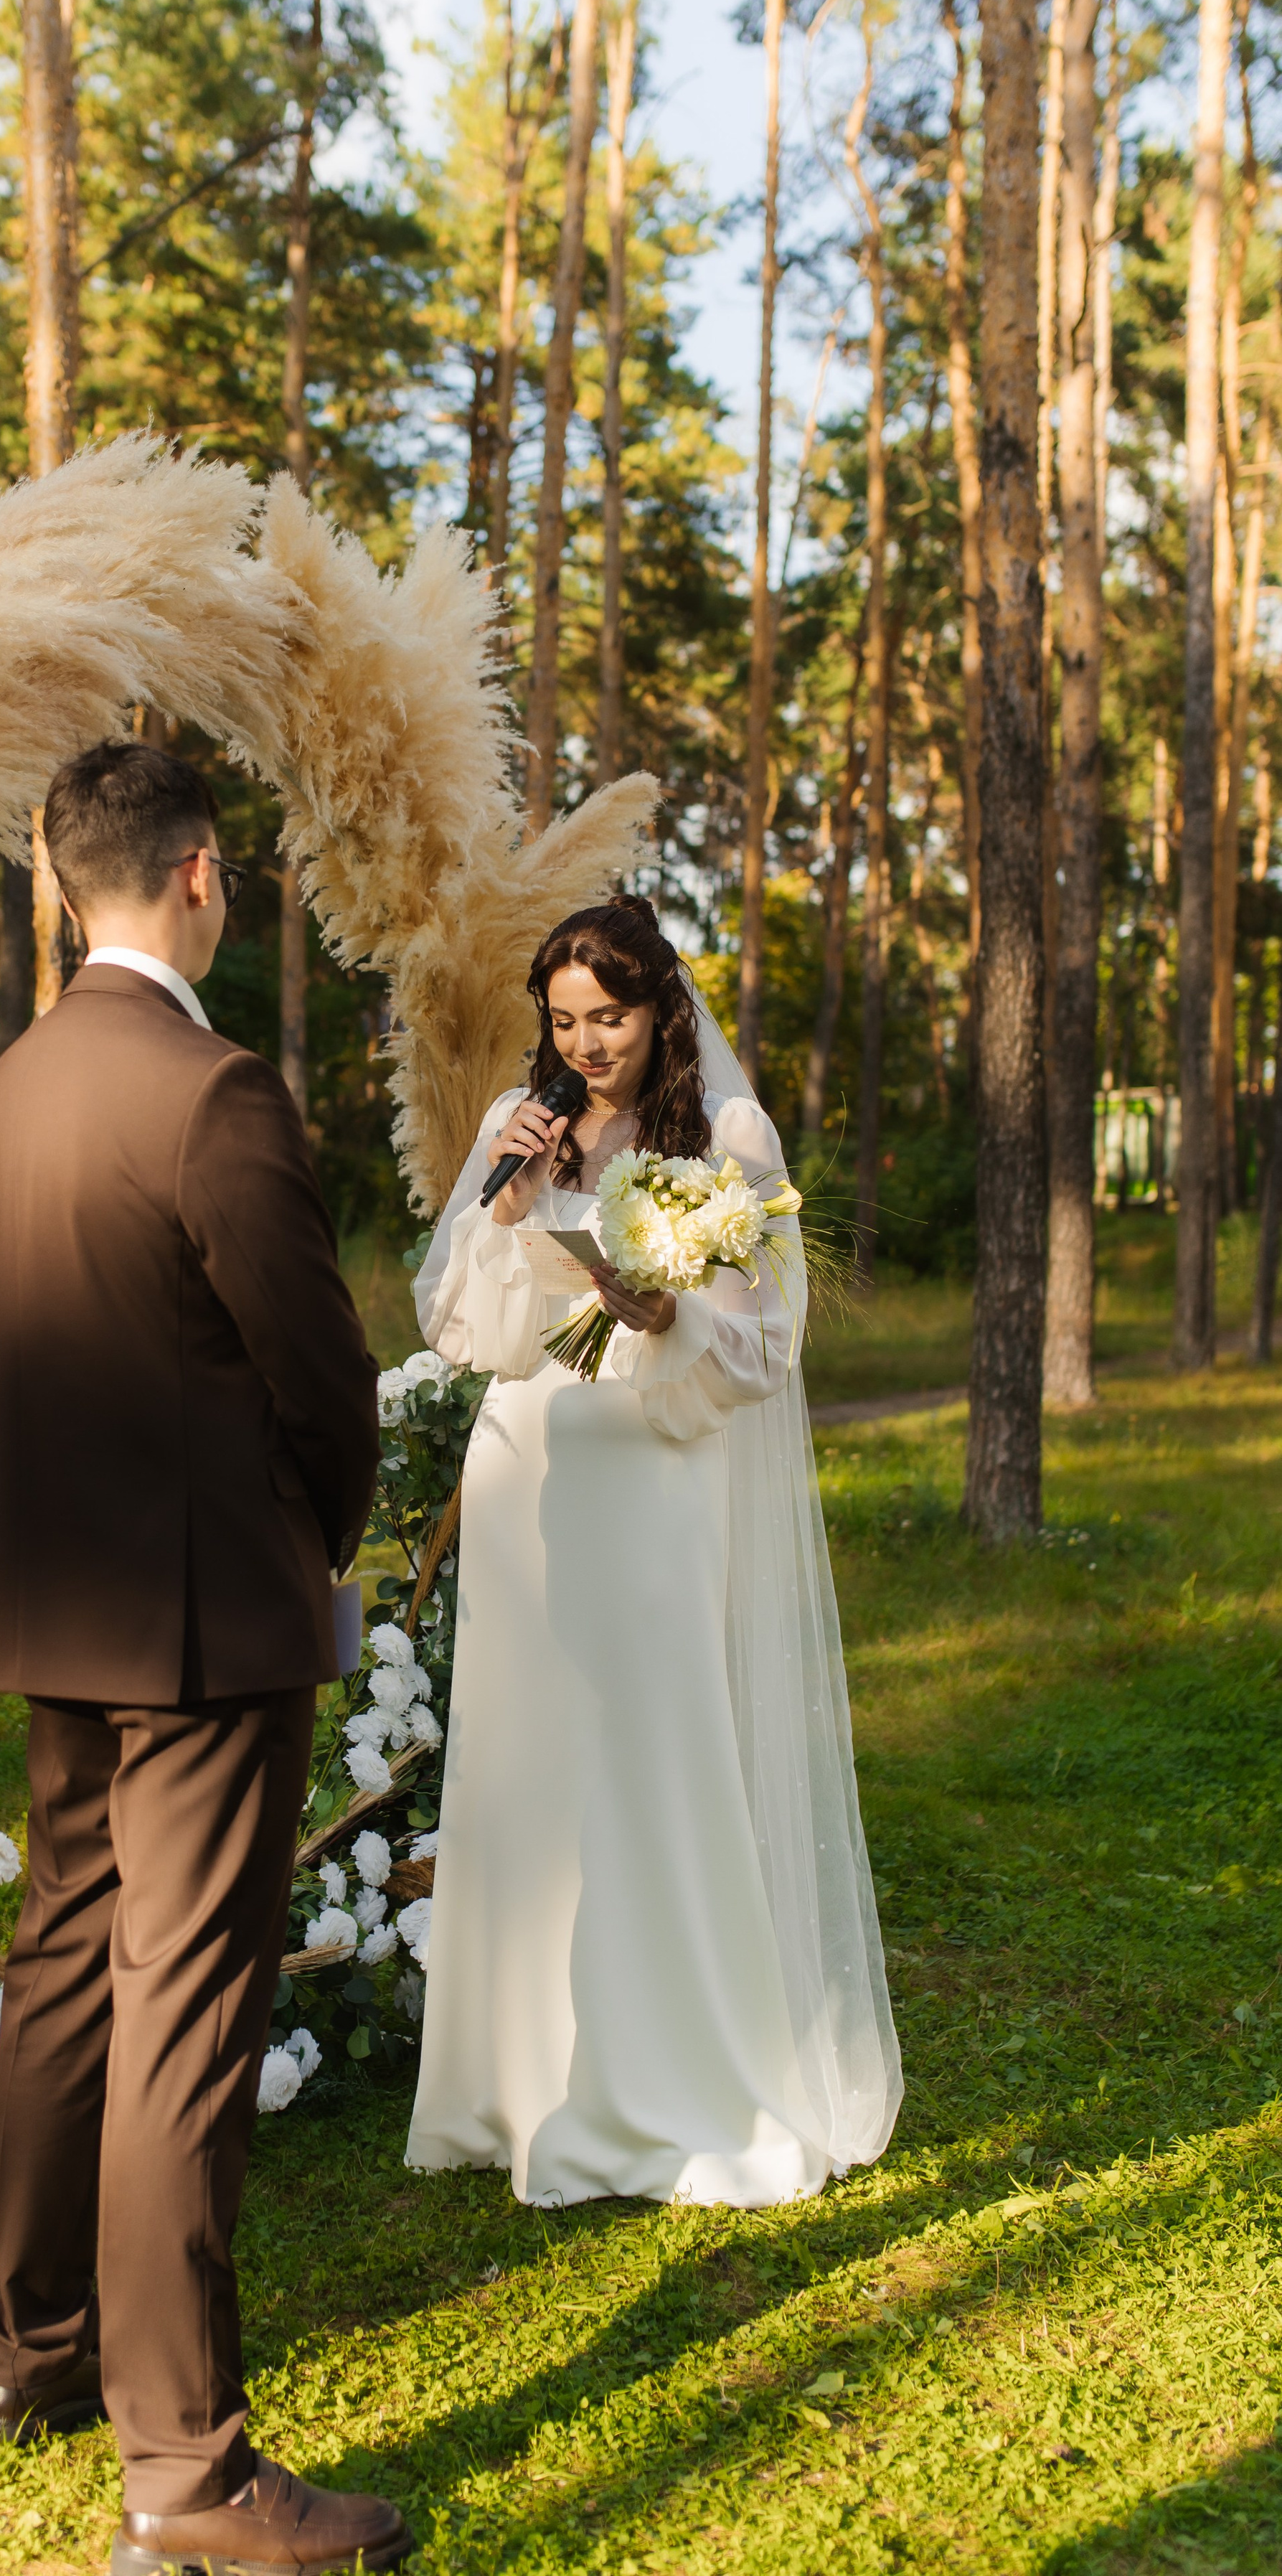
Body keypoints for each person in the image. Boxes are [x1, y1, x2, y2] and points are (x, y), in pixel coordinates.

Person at [0, 741, 409, 2576]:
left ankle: (35, 2349)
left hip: (65, 1609)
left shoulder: (7, 1093)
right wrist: (322, 1532)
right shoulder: (211, 1093)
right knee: (187, 2010)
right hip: (210, 1618)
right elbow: (321, 1375)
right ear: (201, 873)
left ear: (67, 882)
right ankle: (187, 2474)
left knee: (68, 1961)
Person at [406, 896, 901, 2209]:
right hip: (527, 1474)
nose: (585, 1046)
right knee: (528, 1767)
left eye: (609, 1019)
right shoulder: (525, 1124)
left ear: (662, 1010)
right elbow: (460, 1326)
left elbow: (766, 1344)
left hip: (655, 1480)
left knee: (650, 1755)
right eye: (564, 1022)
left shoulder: (727, 1136)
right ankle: (517, 2080)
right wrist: (507, 1203)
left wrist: (665, 1313)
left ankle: (677, 2070)